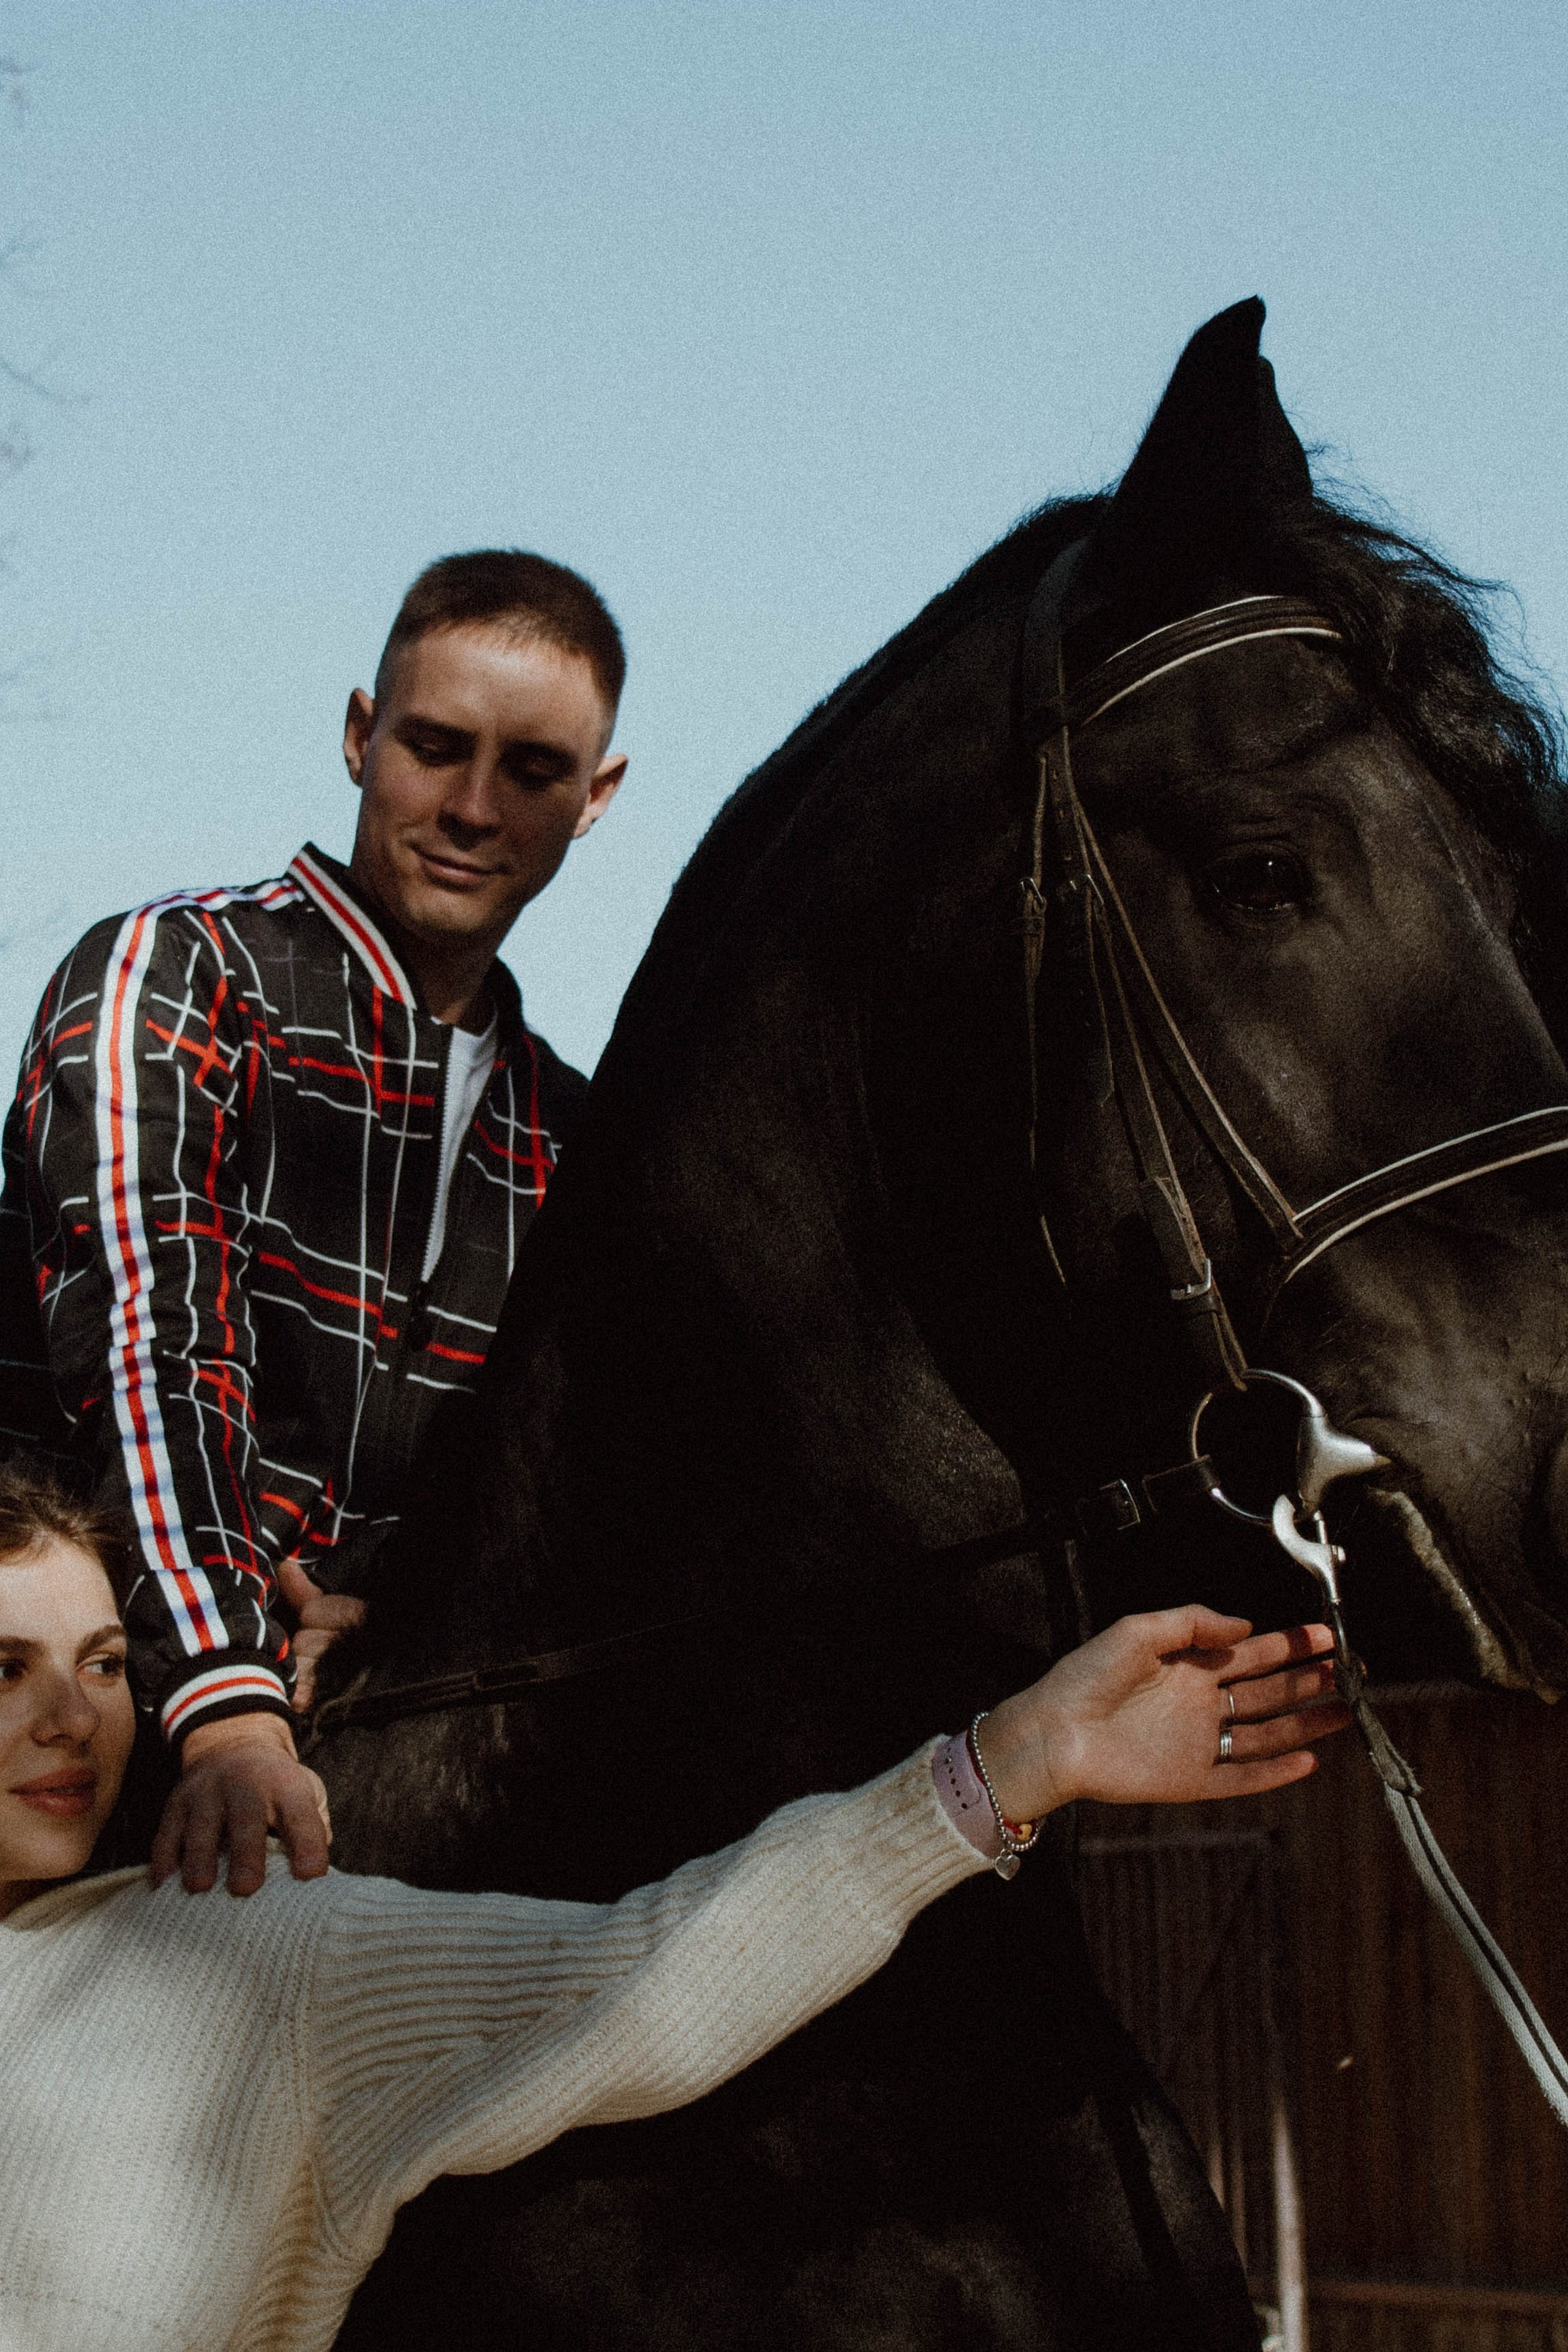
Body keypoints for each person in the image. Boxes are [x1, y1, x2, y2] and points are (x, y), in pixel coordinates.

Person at [0, 1458, 1344, 2352]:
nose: (70, 1717)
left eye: (105, 1662)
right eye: (6, 1669)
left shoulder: (233, 1951)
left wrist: (1009, 1765)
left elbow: (639, 1982)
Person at [0, 550, 627, 1897]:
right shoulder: (168, 978)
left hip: (369, 1773)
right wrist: (225, 1696)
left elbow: (550, 1492)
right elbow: (147, 1348)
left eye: (530, 771)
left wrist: (394, 1607)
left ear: (596, 800)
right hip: (65, 1752)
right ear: (359, 736)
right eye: (433, 746)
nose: (469, 807)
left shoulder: (581, 1141)